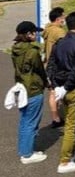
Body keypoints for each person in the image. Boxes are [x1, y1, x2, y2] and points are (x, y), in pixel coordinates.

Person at [46, 11, 75, 173]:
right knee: (72, 126)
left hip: (60, 87)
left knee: (70, 123)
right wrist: (66, 87)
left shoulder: (60, 42)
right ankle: (64, 161)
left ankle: (69, 153)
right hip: (73, 88)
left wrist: (56, 85)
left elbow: (51, 64)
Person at [11, 21, 49, 164]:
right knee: (31, 122)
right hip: (33, 88)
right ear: (28, 34)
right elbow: (40, 70)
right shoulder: (32, 51)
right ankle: (27, 154)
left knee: (25, 121)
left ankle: (25, 150)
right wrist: (46, 82)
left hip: (21, 87)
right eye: (34, 32)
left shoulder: (15, 48)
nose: (36, 35)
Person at [42, 7, 66, 129]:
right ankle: (57, 118)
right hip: (57, 65)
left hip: (48, 63)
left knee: (52, 91)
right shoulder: (58, 32)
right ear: (58, 19)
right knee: (56, 92)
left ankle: (55, 117)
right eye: (63, 17)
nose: (64, 19)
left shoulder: (48, 29)